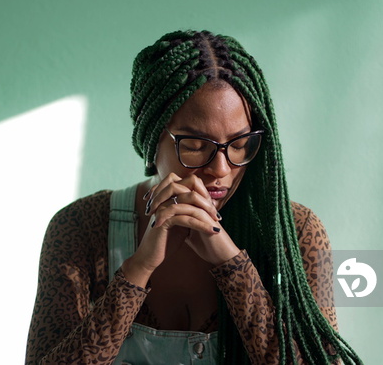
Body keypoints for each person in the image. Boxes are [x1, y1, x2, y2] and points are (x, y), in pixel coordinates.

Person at [25, 30, 362, 364]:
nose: (221, 168)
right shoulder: (82, 227)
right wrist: (138, 270)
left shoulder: (297, 232)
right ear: (151, 139)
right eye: (195, 146)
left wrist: (230, 264)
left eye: (240, 145)